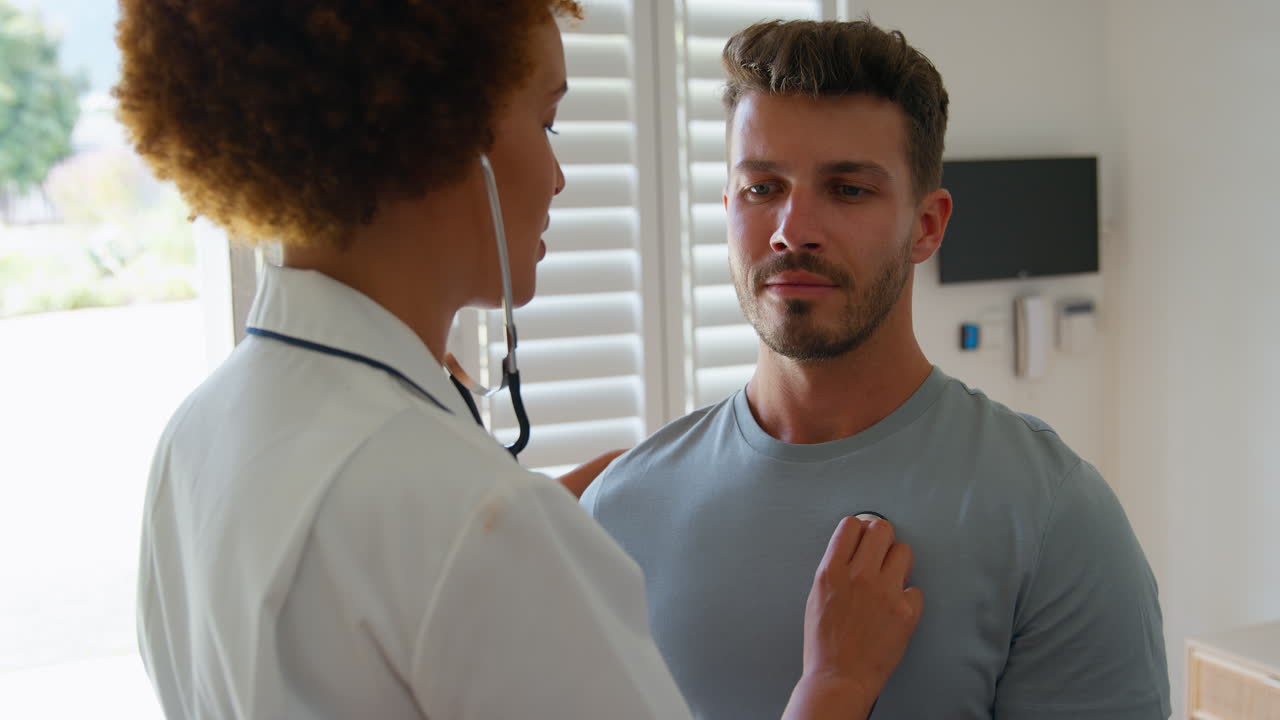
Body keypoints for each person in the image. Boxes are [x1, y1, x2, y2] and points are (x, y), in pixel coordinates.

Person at [116, 2, 923, 718]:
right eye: (547, 123)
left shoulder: (195, 438)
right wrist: (835, 688)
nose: (561, 174)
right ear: (444, 137)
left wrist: (507, 547)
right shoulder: (472, 523)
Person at [582, 18, 1172, 720]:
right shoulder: (619, 512)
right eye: (762, 187)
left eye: (848, 190)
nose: (791, 228)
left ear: (926, 226)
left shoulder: (1054, 521)